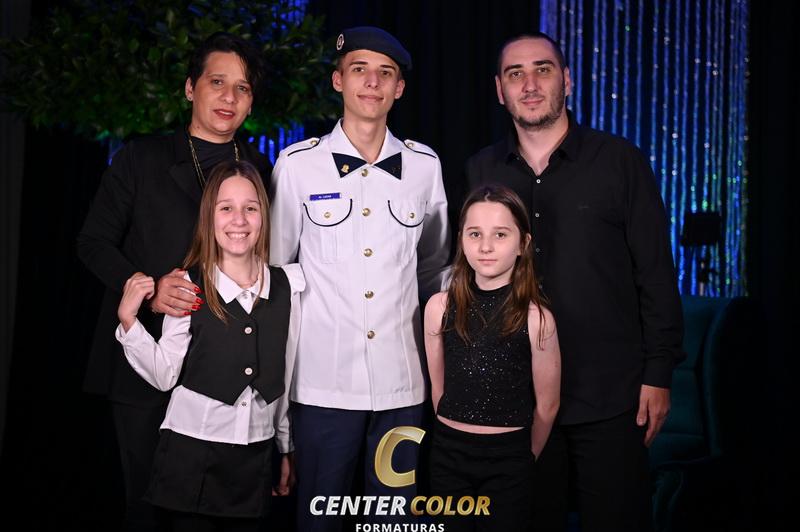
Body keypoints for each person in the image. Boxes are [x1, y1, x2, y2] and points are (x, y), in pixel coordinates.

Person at [464, 32, 685, 532]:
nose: (530, 84)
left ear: (566, 79)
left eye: (542, 69)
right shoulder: (481, 169)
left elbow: (655, 272)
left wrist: (659, 373)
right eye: (515, 74)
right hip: (516, 400)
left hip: (611, 395)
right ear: (499, 90)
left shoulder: (620, 161)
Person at [76, 32, 270, 531]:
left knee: (218, 513)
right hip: (145, 368)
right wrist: (146, 287)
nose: (229, 97)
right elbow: (93, 242)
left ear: (251, 101)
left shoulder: (260, 169)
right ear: (190, 88)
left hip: (226, 370)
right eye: (217, 82)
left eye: (242, 88)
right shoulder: (140, 159)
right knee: (147, 508)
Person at [269, 26, 450, 531]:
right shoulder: (297, 166)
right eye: (359, 70)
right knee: (319, 520)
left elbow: (433, 269)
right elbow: (277, 276)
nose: (372, 83)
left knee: (393, 519)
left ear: (399, 88)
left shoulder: (424, 166)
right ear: (338, 81)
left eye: (385, 73)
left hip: (402, 388)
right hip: (323, 387)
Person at [114, 160, 301, 532]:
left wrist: (285, 446)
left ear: (264, 216)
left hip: (255, 457)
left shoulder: (288, 287)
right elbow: (164, 374)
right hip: (190, 455)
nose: (239, 220)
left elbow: (284, 376)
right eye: (226, 208)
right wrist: (128, 320)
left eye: (250, 208)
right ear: (209, 217)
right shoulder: (188, 285)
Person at [424, 185, 561, 531]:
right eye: (475, 234)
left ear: (523, 243)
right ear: (461, 240)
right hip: (448, 455)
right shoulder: (439, 307)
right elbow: (438, 388)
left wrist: (524, 457)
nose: (485, 246)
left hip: (509, 460)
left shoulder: (537, 318)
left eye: (500, 234)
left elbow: (547, 405)